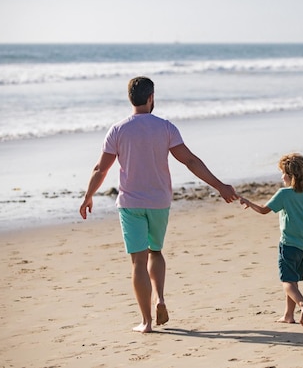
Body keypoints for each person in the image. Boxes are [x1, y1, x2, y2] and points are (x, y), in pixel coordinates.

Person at [79, 76, 238, 333]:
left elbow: (101, 168)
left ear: (130, 99)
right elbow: (191, 161)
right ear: (151, 97)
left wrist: (88, 195)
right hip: (159, 202)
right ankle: (161, 299)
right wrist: (220, 186)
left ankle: (146, 322)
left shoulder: (118, 130)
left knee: (137, 262)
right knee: (156, 251)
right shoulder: (165, 128)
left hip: (131, 203)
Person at [239, 153, 303, 327]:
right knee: (293, 280)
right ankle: (288, 316)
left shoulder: (284, 194)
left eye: (283, 173)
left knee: (287, 281)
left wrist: (249, 202)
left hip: (288, 244)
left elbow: (264, 210)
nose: (281, 176)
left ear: (291, 176)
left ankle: (302, 304)